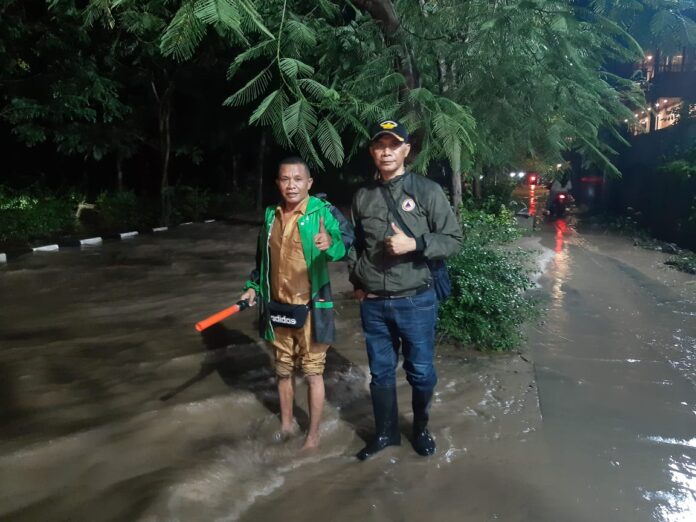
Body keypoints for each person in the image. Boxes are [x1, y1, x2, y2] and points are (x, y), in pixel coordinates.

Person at [348, 119, 464, 459]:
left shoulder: (427, 190)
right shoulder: (362, 196)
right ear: (372, 151)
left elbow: (453, 240)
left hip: (416, 300)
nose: (386, 151)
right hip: (373, 303)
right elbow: (355, 243)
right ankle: (385, 435)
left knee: (422, 373)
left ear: (406, 151)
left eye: (393, 145)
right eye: (379, 145)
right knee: (380, 373)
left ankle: (421, 428)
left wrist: (414, 244)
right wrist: (357, 280)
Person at [240, 157, 353, 450]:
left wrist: (331, 245)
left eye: (298, 179)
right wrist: (253, 288)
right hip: (278, 309)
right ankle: (287, 424)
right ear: (278, 183)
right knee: (282, 372)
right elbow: (261, 261)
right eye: (285, 179)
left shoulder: (321, 212)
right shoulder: (270, 215)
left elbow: (343, 244)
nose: (291, 185)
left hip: (312, 309)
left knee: (314, 374)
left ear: (309, 183)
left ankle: (313, 436)